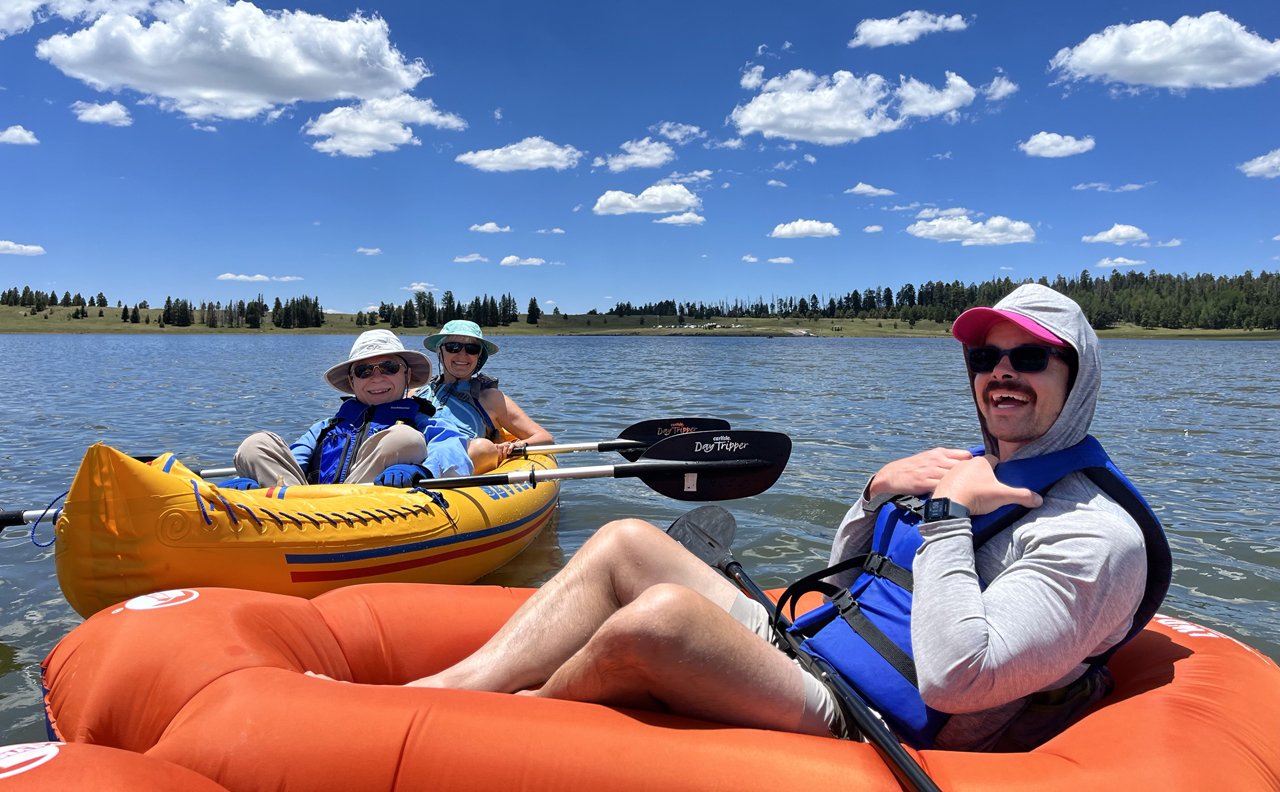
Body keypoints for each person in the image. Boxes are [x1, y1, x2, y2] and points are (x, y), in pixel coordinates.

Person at [405, 284, 1169, 753]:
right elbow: (853, 572)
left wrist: (942, 518)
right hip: (809, 648)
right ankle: (448, 690)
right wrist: (875, 493)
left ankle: (499, 732)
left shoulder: (1093, 536)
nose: (1001, 372)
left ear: (1078, 376)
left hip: (871, 718)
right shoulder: (967, 466)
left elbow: (957, 680)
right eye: (985, 359)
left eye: (1030, 359)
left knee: (662, 619)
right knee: (622, 542)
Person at [224, 329, 473, 489]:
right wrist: (251, 478)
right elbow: (293, 462)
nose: (377, 378)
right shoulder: (325, 428)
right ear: (352, 382)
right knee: (256, 443)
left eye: (388, 368)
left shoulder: (425, 421)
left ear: (406, 374)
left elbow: (453, 451)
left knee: (404, 438)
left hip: (373, 512)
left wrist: (423, 470)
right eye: (364, 371)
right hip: (303, 512)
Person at [420, 320, 554, 474]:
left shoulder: (490, 398)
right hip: (415, 462)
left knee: (481, 448)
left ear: (479, 356)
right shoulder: (419, 393)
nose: (462, 355)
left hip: (464, 468)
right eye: (453, 347)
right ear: (439, 351)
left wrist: (515, 446)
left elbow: (545, 438)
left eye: (471, 349)